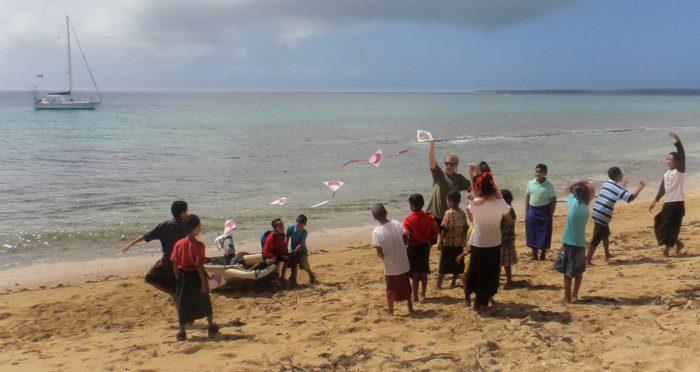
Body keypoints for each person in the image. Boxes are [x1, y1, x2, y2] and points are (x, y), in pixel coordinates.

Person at [462, 173, 512, 311]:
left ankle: (476, 300)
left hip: (478, 242)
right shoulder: (501, 203)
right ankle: (483, 299)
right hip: (494, 242)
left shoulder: (474, 203)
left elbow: (471, 220)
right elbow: (509, 220)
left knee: (477, 271)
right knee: (490, 272)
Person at [122, 200, 188, 298]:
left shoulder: (165, 225)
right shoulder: (187, 225)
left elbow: (146, 236)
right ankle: (176, 294)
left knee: (150, 278)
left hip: (168, 260)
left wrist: (131, 243)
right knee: (176, 281)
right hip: (184, 260)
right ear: (183, 213)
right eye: (187, 211)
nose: (188, 213)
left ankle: (174, 294)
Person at [170, 214, 219, 341]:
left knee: (182, 304)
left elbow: (174, 263)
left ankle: (182, 332)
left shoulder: (179, 243)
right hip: (195, 276)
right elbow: (199, 266)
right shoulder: (199, 245)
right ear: (194, 228)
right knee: (205, 301)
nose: (200, 228)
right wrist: (203, 282)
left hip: (182, 276)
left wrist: (177, 276)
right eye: (199, 226)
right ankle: (211, 326)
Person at [588, 167, 645, 263]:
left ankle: (607, 254)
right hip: (603, 214)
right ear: (618, 176)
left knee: (605, 233)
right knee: (596, 237)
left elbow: (614, 193)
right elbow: (630, 198)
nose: (622, 175)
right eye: (621, 174)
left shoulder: (607, 183)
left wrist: (622, 186)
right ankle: (587, 260)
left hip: (597, 211)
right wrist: (640, 188)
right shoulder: (618, 188)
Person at [554, 181, 593, 303]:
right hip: (580, 243)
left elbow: (567, 187)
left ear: (576, 196)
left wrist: (581, 182)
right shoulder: (586, 208)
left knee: (567, 271)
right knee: (578, 271)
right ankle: (575, 295)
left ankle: (567, 297)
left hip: (570, 242)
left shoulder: (574, 204)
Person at [371, 204, 414, 315]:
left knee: (390, 289)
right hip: (403, 262)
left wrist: (383, 257)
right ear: (386, 212)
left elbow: (379, 252)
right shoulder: (396, 223)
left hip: (390, 266)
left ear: (375, 218)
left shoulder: (376, 232)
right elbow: (405, 240)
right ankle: (410, 307)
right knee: (406, 286)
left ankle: (391, 311)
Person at [650, 132, 687, 257]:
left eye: (670, 159)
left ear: (677, 161)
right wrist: (655, 199)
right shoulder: (666, 173)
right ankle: (677, 243)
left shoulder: (679, 171)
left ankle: (666, 250)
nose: (668, 161)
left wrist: (677, 139)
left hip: (677, 203)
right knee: (658, 221)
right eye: (667, 159)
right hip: (668, 203)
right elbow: (663, 187)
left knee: (669, 227)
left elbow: (682, 155)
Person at [403, 194, 439, 302]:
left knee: (414, 274)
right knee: (423, 271)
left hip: (413, 248)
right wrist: (429, 240)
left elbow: (406, 234)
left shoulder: (408, 220)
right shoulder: (429, 217)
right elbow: (436, 232)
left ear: (412, 206)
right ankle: (423, 294)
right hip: (424, 247)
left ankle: (415, 296)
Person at [427, 139, 471, 223]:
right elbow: (431, 160)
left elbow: (473, 188)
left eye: (451, 164)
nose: (448, 166)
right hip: (435, 215)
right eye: (446, 163)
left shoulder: (459, 178)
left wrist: (472, 173)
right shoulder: (439, 174)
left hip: (450, 216)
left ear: (456, 165)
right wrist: (432, 143)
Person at [525, 164, 557, 260]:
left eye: (540, 172)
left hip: (545, 211)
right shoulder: (530, 183)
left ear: (545, 173)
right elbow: (527, 197)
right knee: (531, 232)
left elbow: (553, 200)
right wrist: (526, 211)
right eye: (537, 172)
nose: (538, 174)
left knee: (545, 233)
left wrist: (551, 212)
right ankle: (534, 255)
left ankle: (543, 254)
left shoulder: (549, 186)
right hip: (532, 210)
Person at [437, 190, 468, 289]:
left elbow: (445, 229)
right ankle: (453, 283)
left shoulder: (448, 213)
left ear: (450, 201)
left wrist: (440, 241)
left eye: (447, 200)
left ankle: (439, 284)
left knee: (443, 264)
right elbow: (465, 227)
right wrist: (463, 239)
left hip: (448, 243)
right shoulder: (462, 212)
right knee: (457, 264)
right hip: (459, 243)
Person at [284, 214, 317, 286]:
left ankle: (311, 275)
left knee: (305, 266)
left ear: (305, 225)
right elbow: (287, 238)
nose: (299, 227)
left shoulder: (304, 232)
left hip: (302, 251)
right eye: (298, 225)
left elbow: (300, 245)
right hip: (292, 249)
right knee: (293, 264)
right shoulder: (290, 228)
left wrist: (293, 252)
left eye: (301, 226)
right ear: (296, 222)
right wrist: (285, 248)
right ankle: (293, 281)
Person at [263, 218, 295, 288]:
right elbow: (265, 251)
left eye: (282, 225)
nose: (282, 227)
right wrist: (272, 257)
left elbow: (283, 246)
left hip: (278, 254)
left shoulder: (282, 234)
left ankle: (282, 277)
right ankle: (274, 281)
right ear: (275, 228)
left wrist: (286, 252)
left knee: (290, 259)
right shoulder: (271, 237)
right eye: (280, 226)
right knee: (275, 262)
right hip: (271, 255)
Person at [500, 189, 517, 288]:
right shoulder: (511, 209)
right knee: (506, 263)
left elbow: (504, 221)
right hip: (508, 238)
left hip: (503, 238)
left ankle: (507, 281)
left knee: (501, 263)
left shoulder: (507, 209)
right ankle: (509, 280)